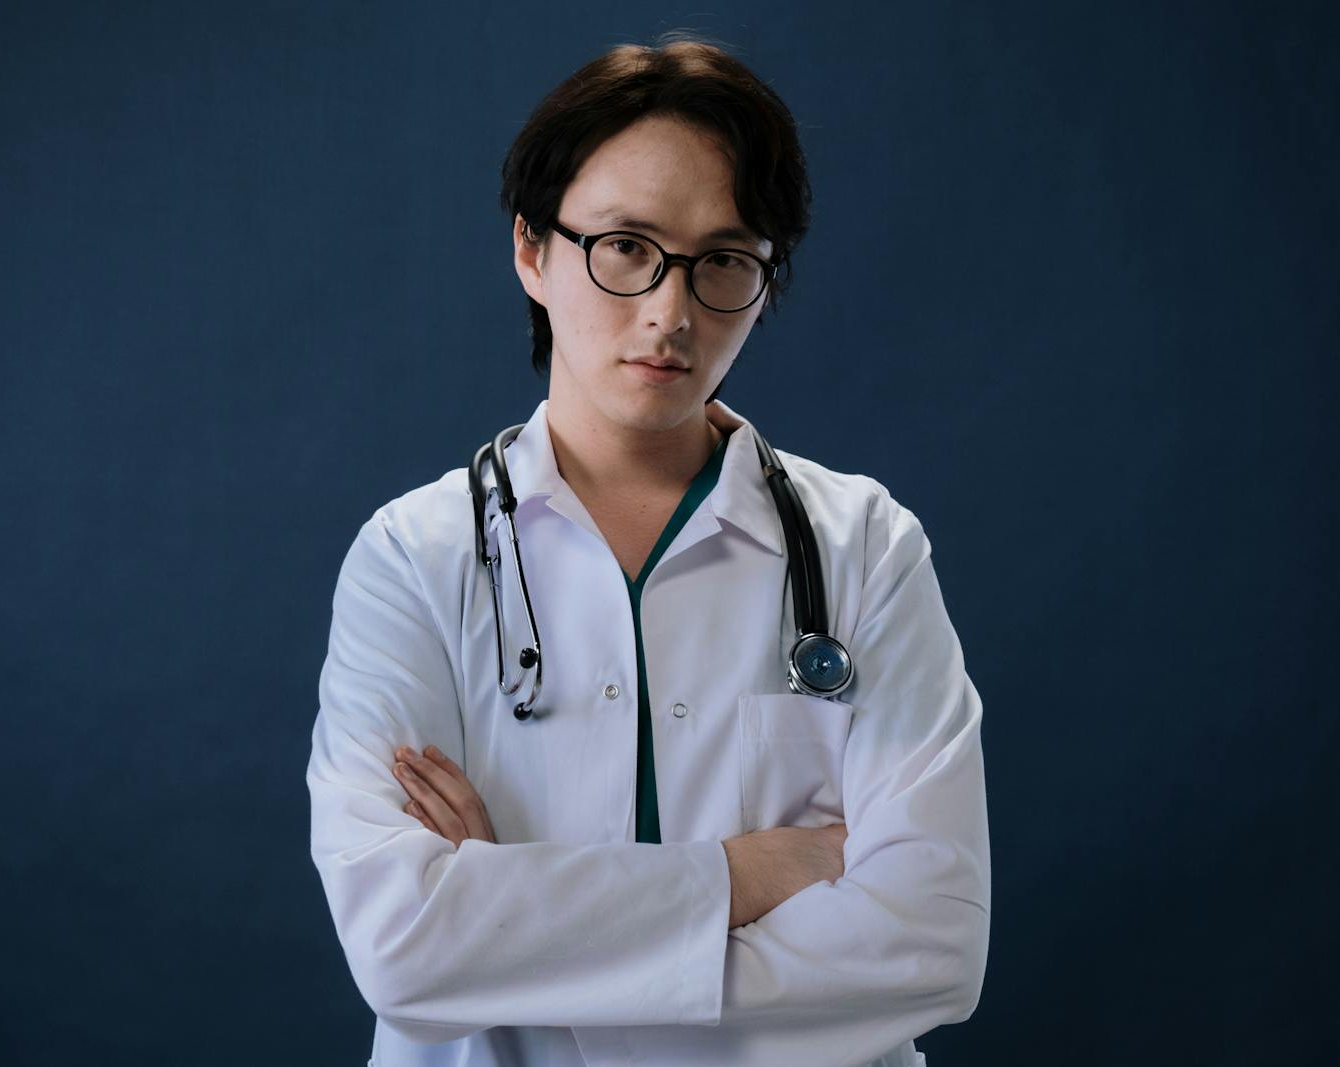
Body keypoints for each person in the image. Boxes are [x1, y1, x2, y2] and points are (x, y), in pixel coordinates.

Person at [305, 34, 990, 1067]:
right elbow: (403, 947)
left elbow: (932, 944)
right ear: (533, 250)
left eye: (723, 260)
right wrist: (746, 873)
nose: (671, 313)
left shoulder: (866, 550)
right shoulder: (413, 557)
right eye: (625, 246)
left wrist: (521, 933)